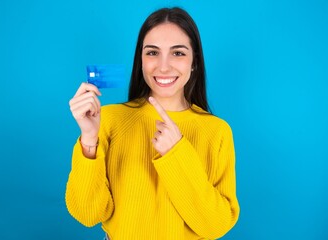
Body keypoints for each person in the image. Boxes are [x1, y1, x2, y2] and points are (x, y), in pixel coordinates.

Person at [66, 7, 239, 240]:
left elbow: (215, 227)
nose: (164, 66)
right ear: (141, 60)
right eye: (152, 53)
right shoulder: (109, 120)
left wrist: (176, 154)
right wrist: (89, 139)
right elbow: (88, 214)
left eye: (178, 53)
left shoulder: (217, 132)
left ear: (194, 62)